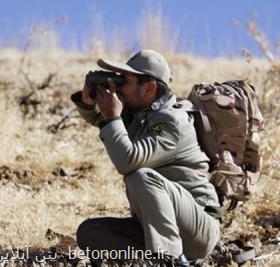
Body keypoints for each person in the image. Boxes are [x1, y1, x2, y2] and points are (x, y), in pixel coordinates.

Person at [71, 50, 221, 266]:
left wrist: (112, 116)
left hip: (197, 229)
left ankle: (168, 261)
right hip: (157, 225)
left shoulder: (172, 122)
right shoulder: (142, 114)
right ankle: (147, 260)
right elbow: (102, 120)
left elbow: (127, 160)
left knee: (141, 177)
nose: (119, 86)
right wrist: (88, 103)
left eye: (125, 81)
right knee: (90, 233)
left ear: (150, 88)